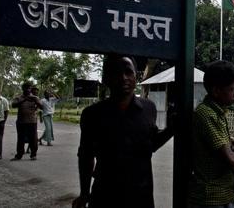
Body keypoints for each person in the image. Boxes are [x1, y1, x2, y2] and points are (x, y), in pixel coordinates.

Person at [72, 55, 173, 208]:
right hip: (106, 195)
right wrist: (84, 193)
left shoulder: (148, 108)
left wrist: (171, 129)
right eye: (116, 73)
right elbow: (86, 157)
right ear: (106, 79)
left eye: (128, 72)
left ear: (136, 76)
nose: (123, 77)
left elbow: (150, 145)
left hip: (141, 196)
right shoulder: (93, 114)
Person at [189, 60, 234, 208]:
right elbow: (232, 160)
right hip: (211, 197)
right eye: (232, 89)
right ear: (216, 90)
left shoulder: (217, 111)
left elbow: (213, 142)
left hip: (223, 194)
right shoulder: (206, 113)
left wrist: (232, 141)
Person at [11, 81, 43, 160]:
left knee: (33, 139)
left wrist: (35, 100)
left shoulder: (35, 97)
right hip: (21, 121)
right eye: (26, 88)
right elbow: (13, 105)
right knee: (20, 139)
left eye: (29, 88)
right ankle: (19, 155)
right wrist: (24, 99)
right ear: (23, 89)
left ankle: (33, 154)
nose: (28, 90)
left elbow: (42, 107)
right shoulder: (19, 97)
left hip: (32, 121)